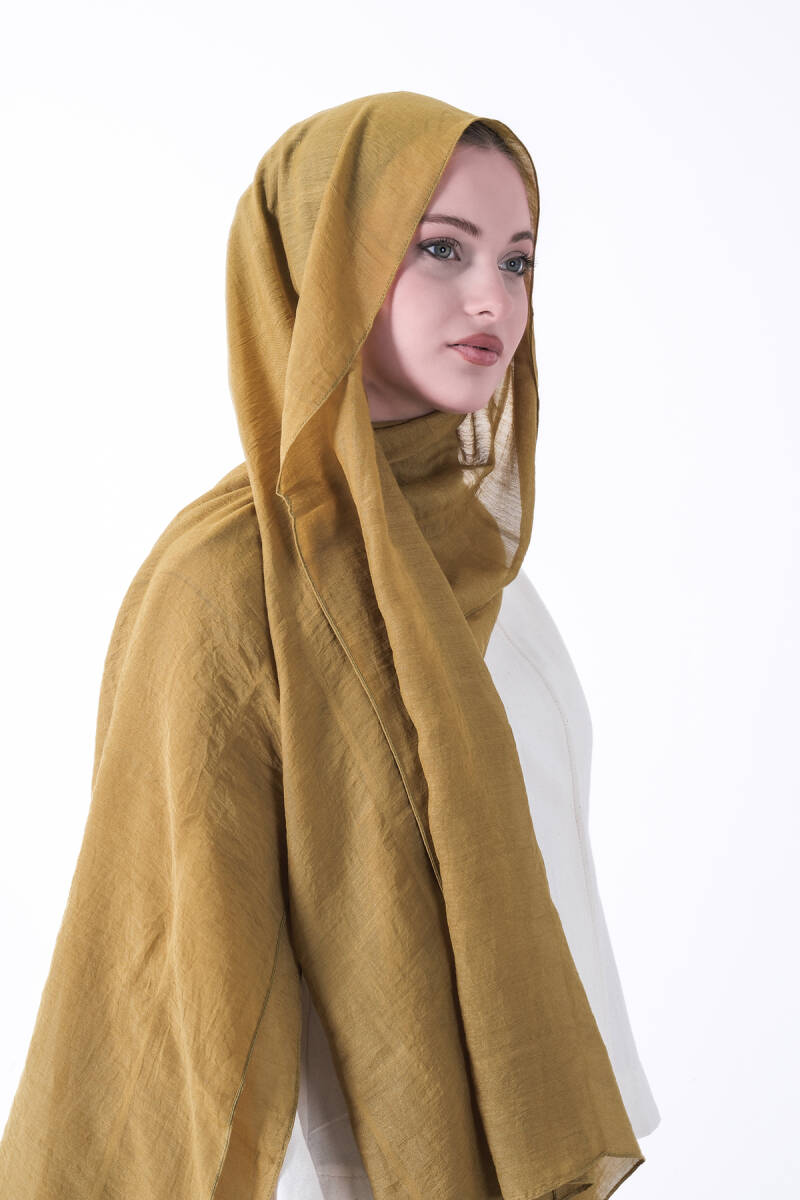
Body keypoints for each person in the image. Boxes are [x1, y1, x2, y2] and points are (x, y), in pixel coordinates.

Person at [0, 92, 659, 1200]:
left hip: (529, 1140)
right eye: (440, 248)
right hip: (332, 1170)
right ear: (319, 264)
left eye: (517, 260)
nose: (492, 298)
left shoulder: (480, 564)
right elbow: (170, 962)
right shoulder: (221, 586)